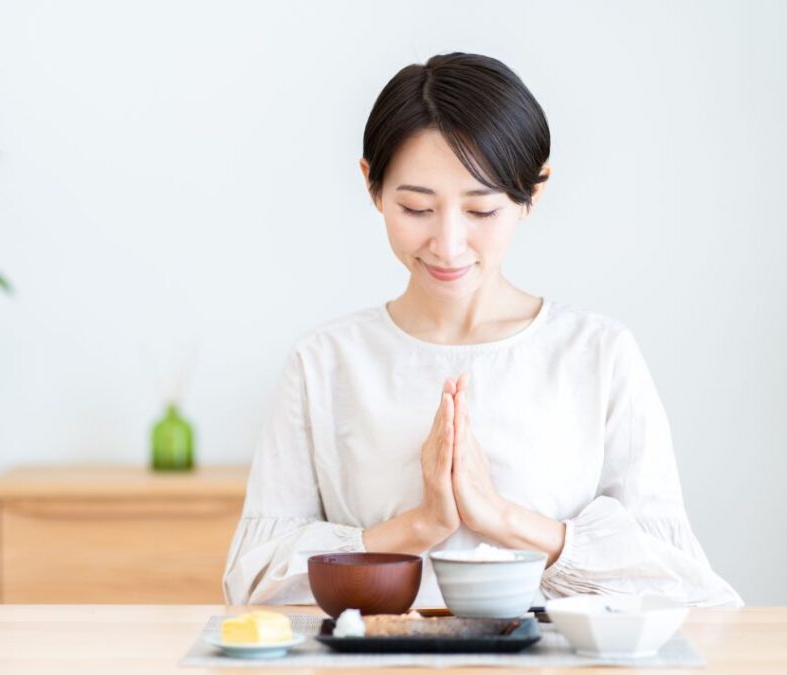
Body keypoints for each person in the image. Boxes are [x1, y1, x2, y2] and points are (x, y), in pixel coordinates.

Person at [222, 52, 743, 608]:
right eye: (416, 208)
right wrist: (419, 526)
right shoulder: (324, 362)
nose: (448, 245)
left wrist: (500, 518)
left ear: (531, 195)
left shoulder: (597, 354)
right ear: (372, 186)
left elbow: (683, 590)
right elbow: (252, 586)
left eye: (482, 211)